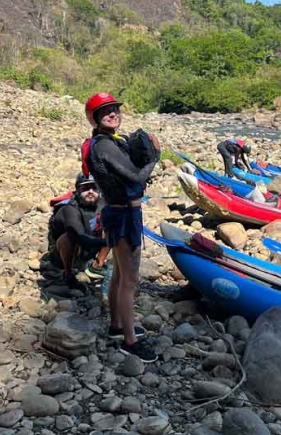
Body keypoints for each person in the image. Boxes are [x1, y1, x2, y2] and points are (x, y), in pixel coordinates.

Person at [84, 92, 159, 362]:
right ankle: (130, 341)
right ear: (95, 118)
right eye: (106, 111)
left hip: (119, 213)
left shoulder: (109, 142)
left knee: (118, 274)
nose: (113, 113)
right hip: (124, 215)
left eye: (115, 108)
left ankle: (117, 326)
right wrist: (154, 158)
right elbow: (137, 177)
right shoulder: (104, 146)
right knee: (130, 280)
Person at [47, 174, 107, 290]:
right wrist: (110, 242)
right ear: (78, 190)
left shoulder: (103, 204)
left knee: (113, 226)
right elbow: (80, 237)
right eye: (85, 188)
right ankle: (68, 274)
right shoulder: (70, 209)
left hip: (89, 248)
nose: (90, 191)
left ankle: (97, 265)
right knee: (70, 237)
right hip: (62, 256)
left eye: (94, 188)